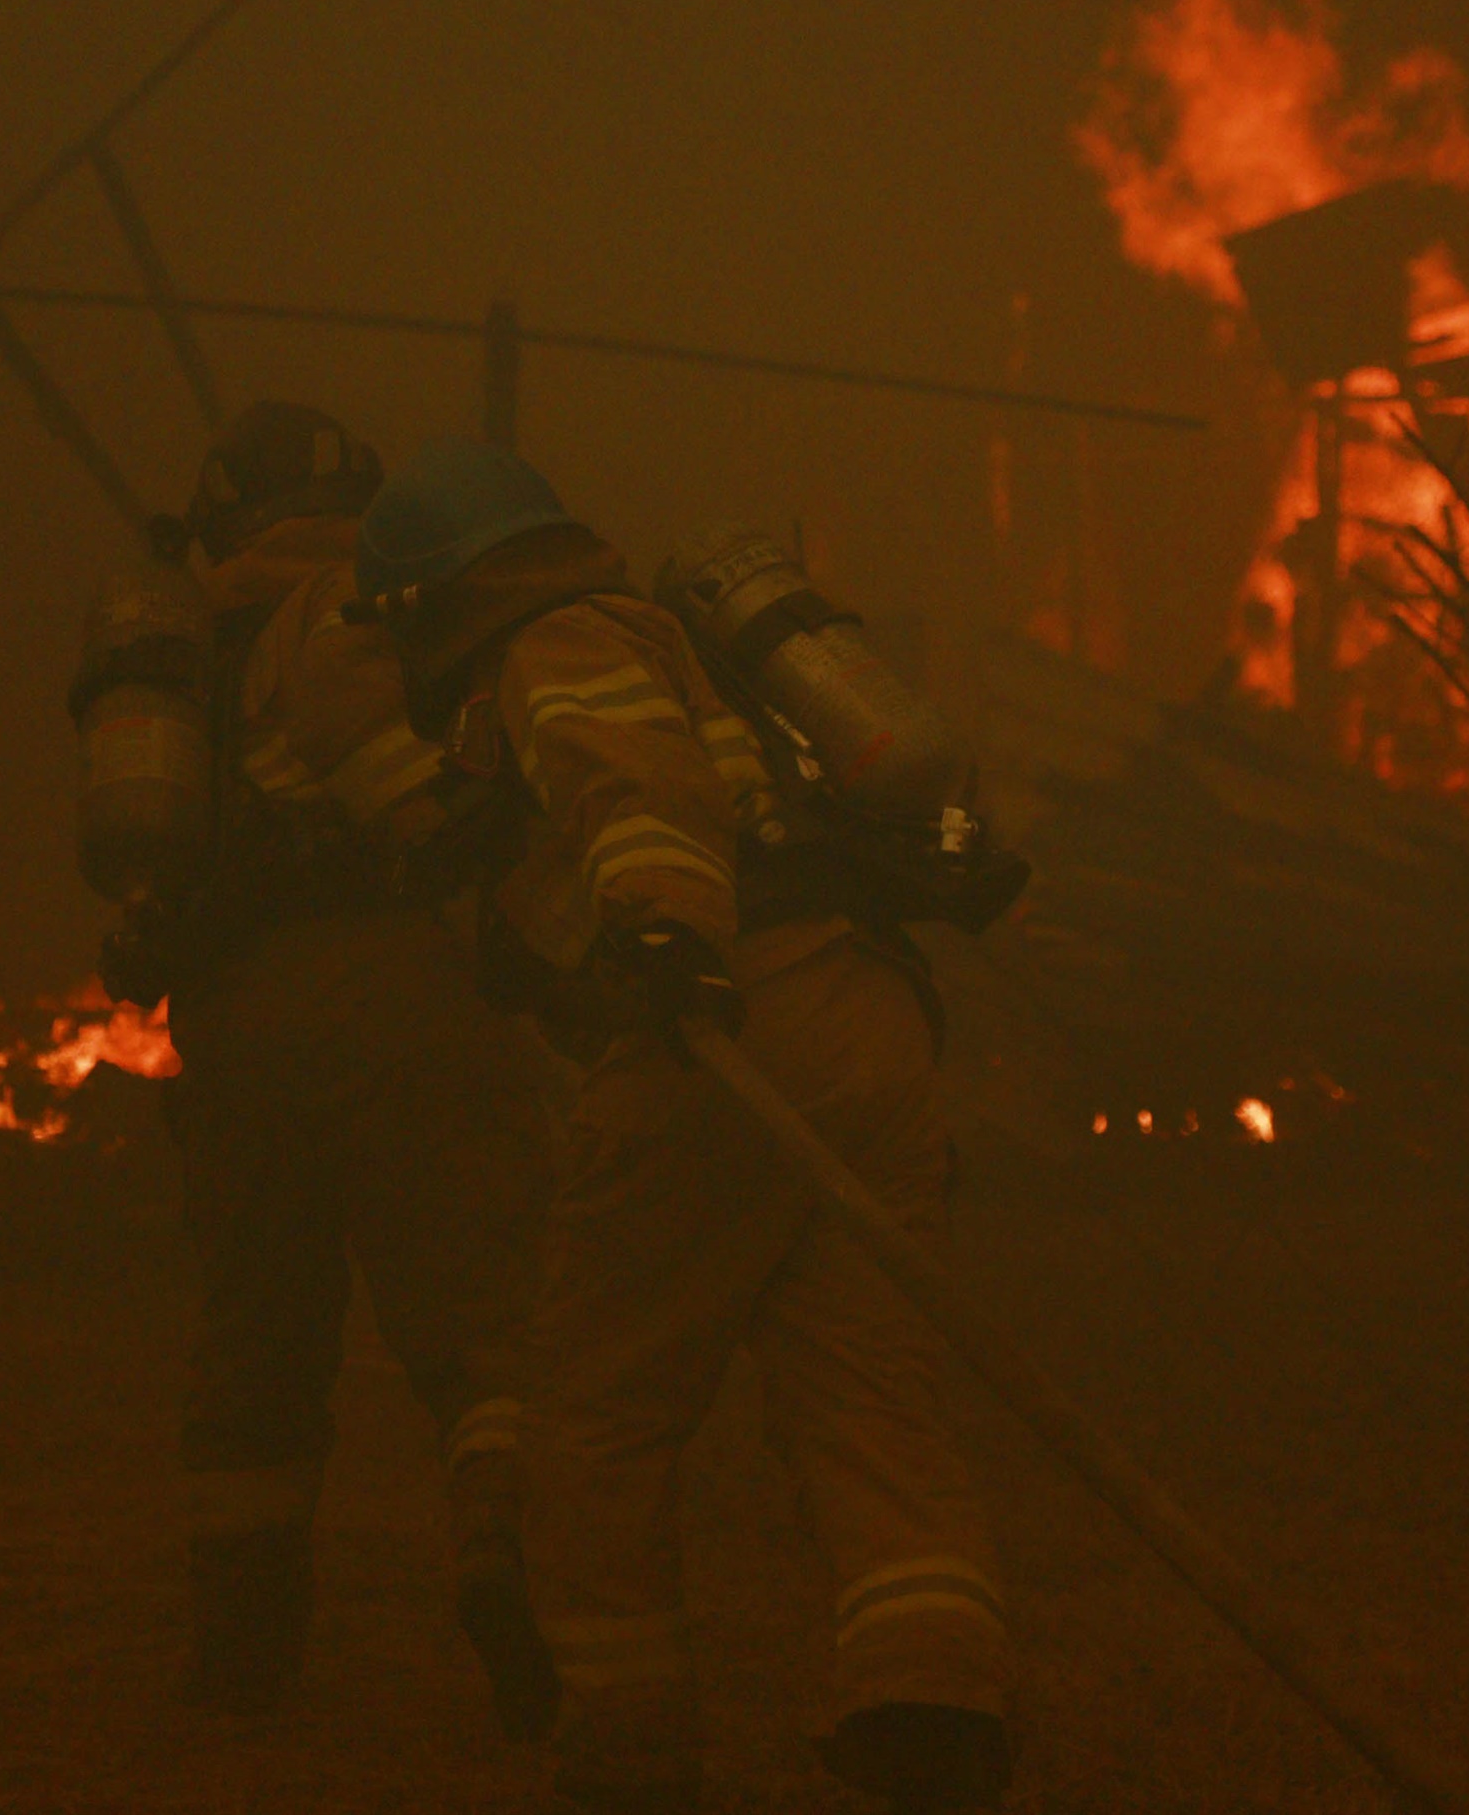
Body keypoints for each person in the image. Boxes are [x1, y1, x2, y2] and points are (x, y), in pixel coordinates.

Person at [350, 439, 1014, 1813]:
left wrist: (663, 933)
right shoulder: (690, 644)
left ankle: (629, 1738)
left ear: (429, 599)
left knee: (596, 1409)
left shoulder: (556, 642)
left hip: (721, 1030)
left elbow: (632, 782)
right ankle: (930, 1700)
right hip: (868, 1017)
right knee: (868, 1390)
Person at [107, 403, 559, 1736]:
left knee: (256, 1335)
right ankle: (505, 1560)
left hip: (244, 1018)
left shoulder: (183, 642)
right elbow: (461, 795)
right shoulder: (386, 604)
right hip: (408, 986)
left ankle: (241, 1656)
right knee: (481, 1321)